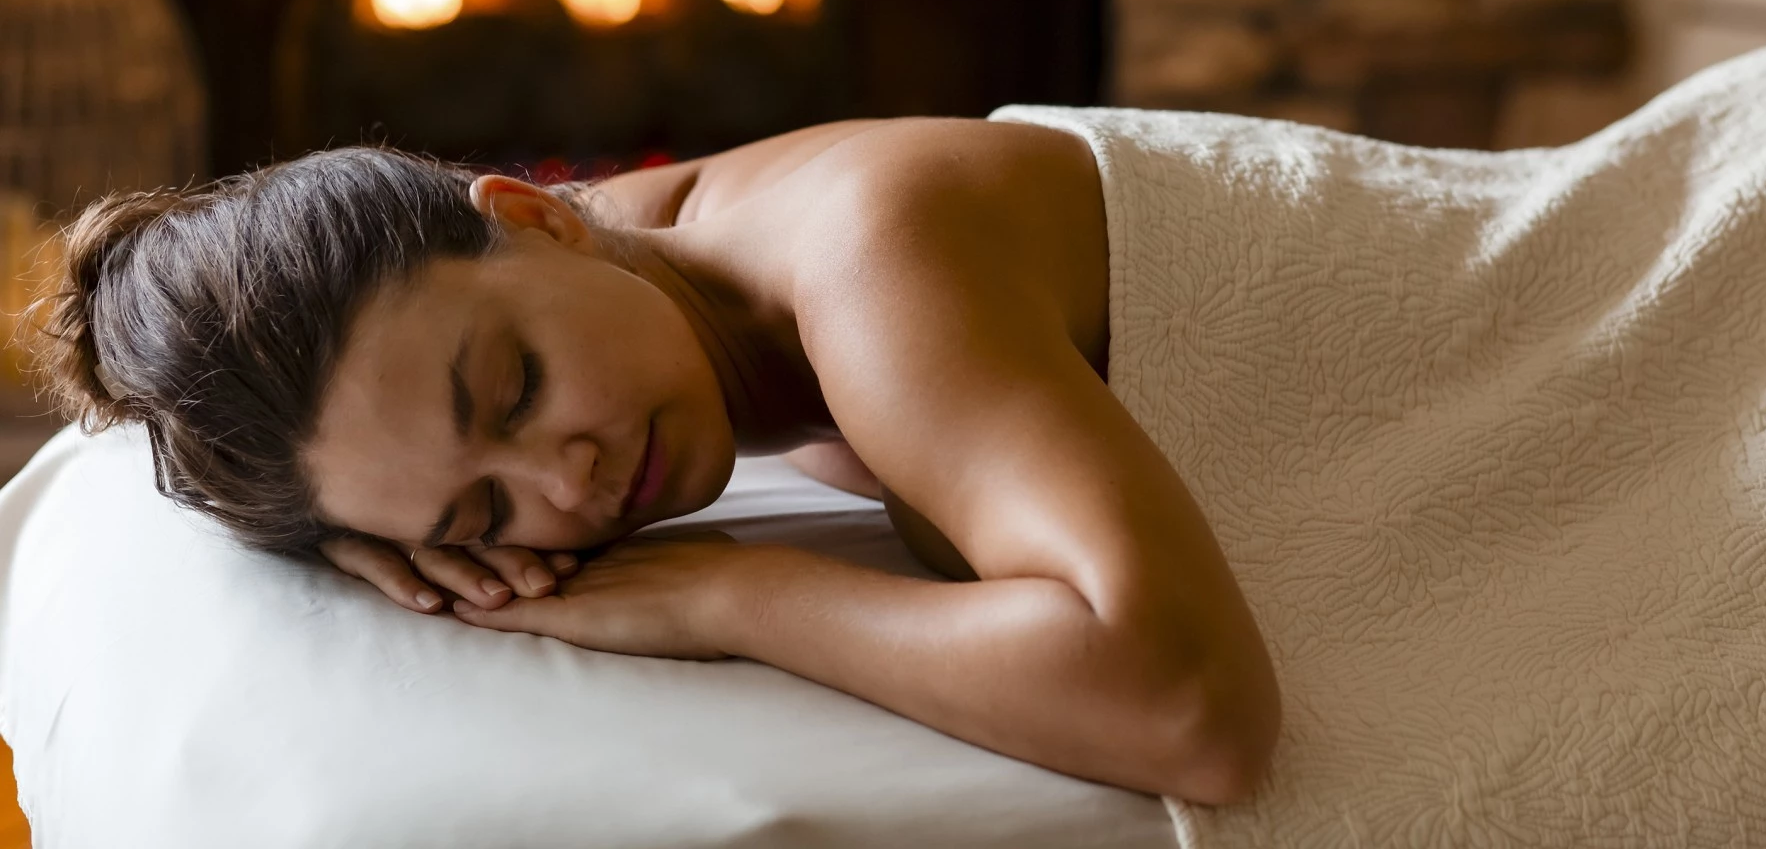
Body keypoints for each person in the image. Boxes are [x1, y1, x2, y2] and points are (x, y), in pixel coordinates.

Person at [30, 115, 1281, 806]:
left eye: (511, 390)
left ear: (534, 213)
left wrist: (730, 595)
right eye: (483, 510)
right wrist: (359, 510)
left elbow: (1195, 716)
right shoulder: (613, 263)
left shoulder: (871, 256)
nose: (565, 487)